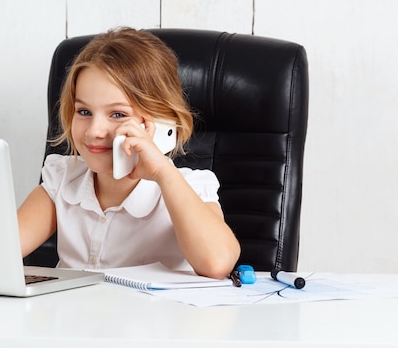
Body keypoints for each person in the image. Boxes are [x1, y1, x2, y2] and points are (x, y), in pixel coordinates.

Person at [17, 27, 240, 279]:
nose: (94, 131)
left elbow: (218, 263)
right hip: (73, 316)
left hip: (154, 318)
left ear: (161, 121)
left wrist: (162, 172)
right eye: (84, 112)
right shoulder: (62, 179)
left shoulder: (189, 187)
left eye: (118, 114)